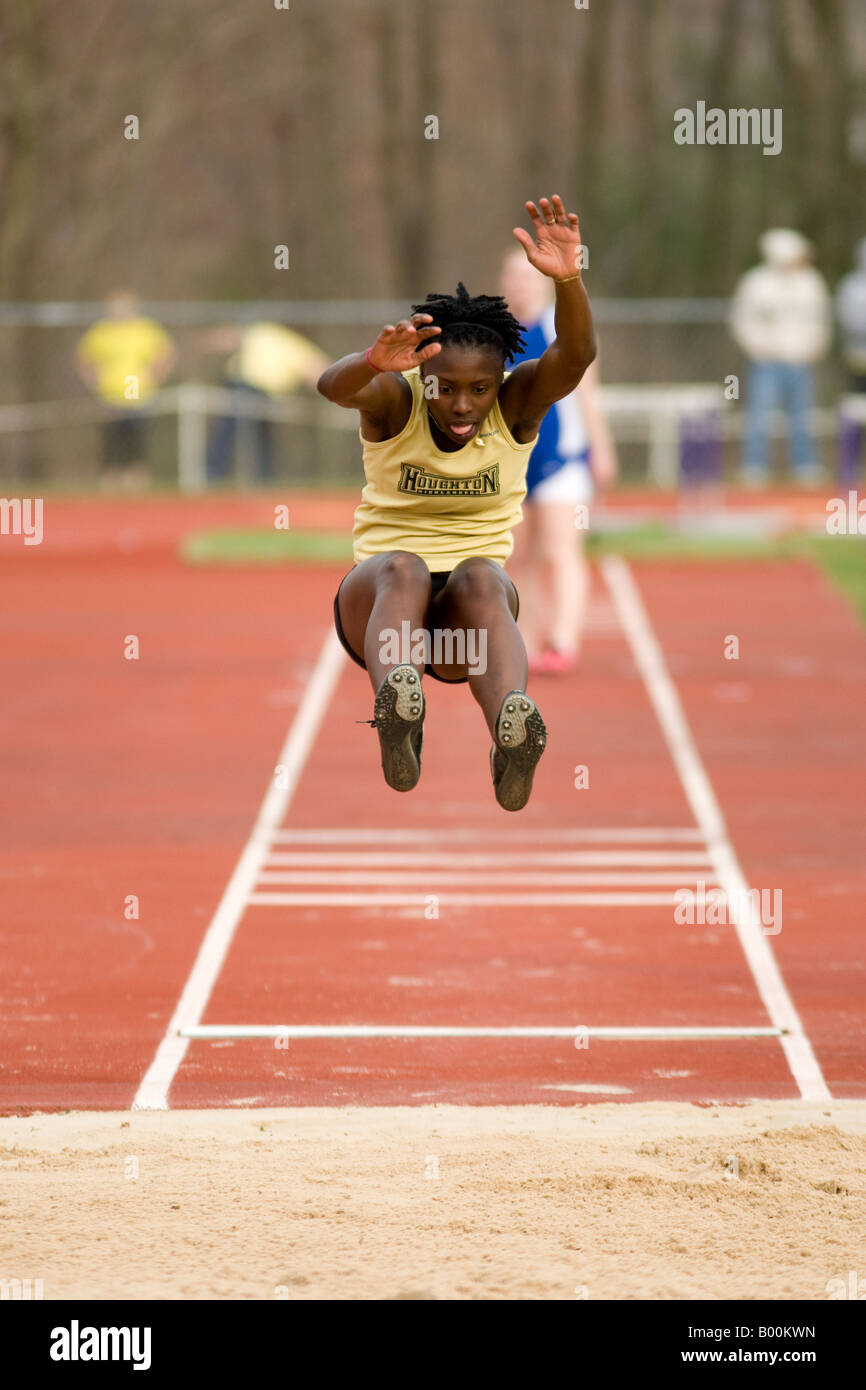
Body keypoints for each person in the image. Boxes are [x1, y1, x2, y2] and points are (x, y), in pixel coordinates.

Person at [318, 195, 596, 812]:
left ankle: (509, 732)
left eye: (480, 390)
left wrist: (569, 280)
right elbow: (329, 388)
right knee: (405, 565)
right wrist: (370, 362)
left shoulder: (518, 405)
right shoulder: (396, 399)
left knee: (482, 575)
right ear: (425, 379)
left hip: (465, 627)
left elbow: (573, 358)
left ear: (502, 382)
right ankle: (399, 711)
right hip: (383, 611)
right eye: (447, 389)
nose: (465, 406)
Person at [500, 247, 617, 674]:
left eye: (526, 276)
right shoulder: (495, 333)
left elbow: (588, 392)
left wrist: (601, 448)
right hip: (512, 463)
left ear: (543, 282)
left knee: (562, 549)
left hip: (562, 459)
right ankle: (528, 641)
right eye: (511, 276)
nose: (518, 283)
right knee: (517, 558)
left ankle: (563, 640)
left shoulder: (561, 325)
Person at [729, 229, 831, 488]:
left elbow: (820, 319)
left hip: (799, 360)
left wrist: (815, 346)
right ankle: (755, 465)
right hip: (766, 361)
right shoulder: (756, 282)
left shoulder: (810, 281)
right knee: (759, 414)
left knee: (802, 414)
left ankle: (805, 464)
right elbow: (742, 319)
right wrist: (757, 348)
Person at [204, 321, 329, 482]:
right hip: (251, 390)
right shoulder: (294, 345)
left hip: (247, 388)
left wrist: (207, 342)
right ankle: (251, 476)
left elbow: (229, 338)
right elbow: (320, 375)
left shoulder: (263, 331)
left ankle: (216, 474)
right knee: (240, 433)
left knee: (234, 432)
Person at [75, 292, 176, 491]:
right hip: (110, 392)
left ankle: (136, 477)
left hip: (136, 389)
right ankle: (111, 477)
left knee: (135, 436)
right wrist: (93, 381)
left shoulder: (145, 329)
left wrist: (154, 377)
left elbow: (166, 354)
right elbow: (84, 358)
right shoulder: (102, 331)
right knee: (111, 437)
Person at [836, 237, 866, 481]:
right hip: (859, 359)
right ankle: (851, 469)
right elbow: (852, 321)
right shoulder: (852, 287)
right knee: (856, 415)